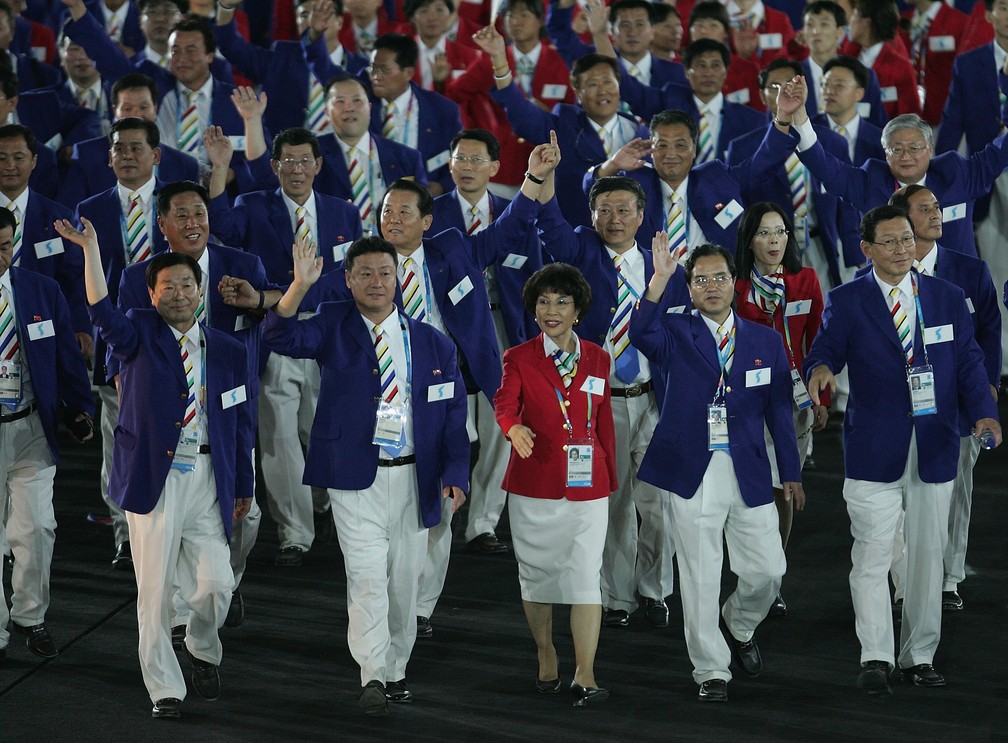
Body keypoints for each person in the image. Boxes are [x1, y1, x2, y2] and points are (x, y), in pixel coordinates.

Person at [261, 235, 469, 715]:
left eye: (384, 273)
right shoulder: (333, 322)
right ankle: (374, 674)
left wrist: (456, 473)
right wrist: (297, 287)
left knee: (404, 584)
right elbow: (278, 335)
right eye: (365, 274)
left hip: (417, 480)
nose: (377, 282)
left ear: (398, 278)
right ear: (348, 280)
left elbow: (454, 416)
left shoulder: (433, 343)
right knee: (369, 577)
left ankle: (396, 669)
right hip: (356, 478)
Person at [57, 217, 254, 720]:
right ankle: (164, 689)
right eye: (169, 286)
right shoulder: (137, 334)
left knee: (215, 586)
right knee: (153, 589)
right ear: (152, 293)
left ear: (200, 289)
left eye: (188, 285)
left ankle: (203, 648)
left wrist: (245, 484)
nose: (180, 294)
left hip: (210, 478)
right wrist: (91, 250)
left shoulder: (229, 349)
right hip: (155, 479)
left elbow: (242, 423)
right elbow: (100, 309)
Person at [803, 204, 1001, 694]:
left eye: (906, 239)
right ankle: (875, 655)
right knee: (872, 553)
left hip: (935, 444)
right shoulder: (848, 300)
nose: (901, 249)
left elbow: (971, 362)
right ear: (866, 249)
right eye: (888, 242)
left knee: (926, 557)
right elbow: (825, 347)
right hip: (874, 447)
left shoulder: (948, 296)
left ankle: (919, 656)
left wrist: (984, 410)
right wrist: (821, 370)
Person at [630, 240, 803, 703]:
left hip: (748, 467)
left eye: (719, 277)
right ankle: (710, 669)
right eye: (701, 279)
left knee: (768, 571)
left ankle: (739, 624)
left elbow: (780, 412)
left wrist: (791, 470)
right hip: (692, 468)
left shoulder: (764, 338)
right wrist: (658, 279)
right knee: (700, 572)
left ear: (734, 282)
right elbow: (639, 332)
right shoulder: (673, 330)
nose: (711, 286)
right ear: (689, 288)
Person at [494, 262, 617, 706]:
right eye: (543, 301)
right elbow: (504, 404)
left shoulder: (601, 359)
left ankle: (586, 674)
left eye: (562, 301)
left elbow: (604, 424)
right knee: (538, 577)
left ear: (578, 310)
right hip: (534, 485)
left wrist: (610, 480)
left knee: (587, 576)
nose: (552, 309)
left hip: (588, 487)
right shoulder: (519, 358)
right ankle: (546, 652)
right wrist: (512, 429)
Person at [886, 185, 1001, 613]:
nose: (936, 214)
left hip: (957, 403)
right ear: (901, 222)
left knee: (955, 492)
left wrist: (987, 387)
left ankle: (949, 576)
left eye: (936, 207)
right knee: (897, 495)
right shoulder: (881, 272)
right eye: (924, 209)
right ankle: (904, 580)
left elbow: (989, 332)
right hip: (898, 406)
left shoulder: (970, 271)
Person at [776, 74, 1008, 260]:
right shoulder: (870, 183)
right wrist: (800, 119)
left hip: (956, 293)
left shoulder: (956, 174)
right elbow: (826, 167)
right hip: (891, 297)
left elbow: (1000, 152)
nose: (906, 156)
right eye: (896, 149)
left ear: (930, 148)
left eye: (915, 148)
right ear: (885, 153)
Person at [0, 205, 94, 662]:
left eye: (4, 246)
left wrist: (80, 409)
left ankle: (30, 617)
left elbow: (66, 359)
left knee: (37, 527)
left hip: (30, 426)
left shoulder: (41, 289)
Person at [732, 202, 828, 616]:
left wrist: (820, 399)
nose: (774, 241)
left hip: (794, 402)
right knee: (753, 490)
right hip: (747, 405)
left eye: (781, 232)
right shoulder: (734, 287)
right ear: (749, 239)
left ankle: (774, 574)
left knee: (784, 488)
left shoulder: (805, 281)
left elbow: (818, 343)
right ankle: (752, 572)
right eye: (764, 233)